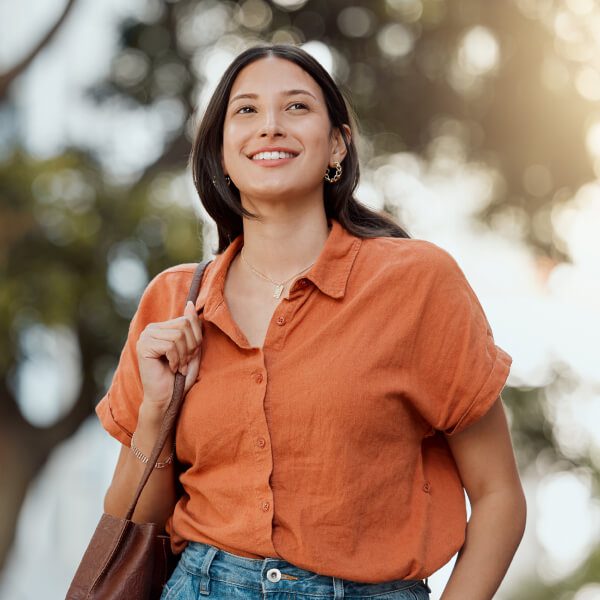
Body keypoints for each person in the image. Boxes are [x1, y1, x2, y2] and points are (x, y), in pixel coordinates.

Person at [96, 44, 526, 600]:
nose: (270, 126)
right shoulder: (173, 300)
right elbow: (130, 527)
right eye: (246, 111)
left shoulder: (417, 282)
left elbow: (498, 496)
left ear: (338, 145)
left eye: (296, 107)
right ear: (221, 153)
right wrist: (156, 414)